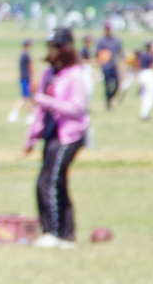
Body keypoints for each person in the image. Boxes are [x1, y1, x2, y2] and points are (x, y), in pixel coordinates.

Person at [23, 28, 90, 248]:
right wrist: (32, 134)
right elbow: (40, 109)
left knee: (49, 181)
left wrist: (46, 101)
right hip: (51, 133)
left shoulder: (76, 74)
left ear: (64, 49)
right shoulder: (50, 73)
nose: (49, 51)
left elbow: (77, 108)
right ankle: (66, 235)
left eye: (53, 47)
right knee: (56, 182)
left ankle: (52, 232)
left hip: (70, 135)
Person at [95, 24, 123, 110]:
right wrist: (101, 59)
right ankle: (108, 103)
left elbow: (120, 53)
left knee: (117, 84)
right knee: (107, 85)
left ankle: (111, 97)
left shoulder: (116, 41)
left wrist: (123, 65)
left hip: (114, 65)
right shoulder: (101, 41)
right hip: (105, 66)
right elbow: (97, 53)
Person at [7, 39, 34, 123]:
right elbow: (30, 67)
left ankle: (26, 115)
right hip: (26, 78)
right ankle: (27, 115)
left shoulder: (22, 55)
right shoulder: (26, 55)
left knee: (26, 98)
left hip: (23, 78)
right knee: (25, 98)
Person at [134, 42, 153, 121]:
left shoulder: (142, 54)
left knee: (144, 95)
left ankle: (143, 113)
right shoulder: (150, 55)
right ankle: (145, 113)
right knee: (151, 94)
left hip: (141, 74)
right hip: (148, 74)